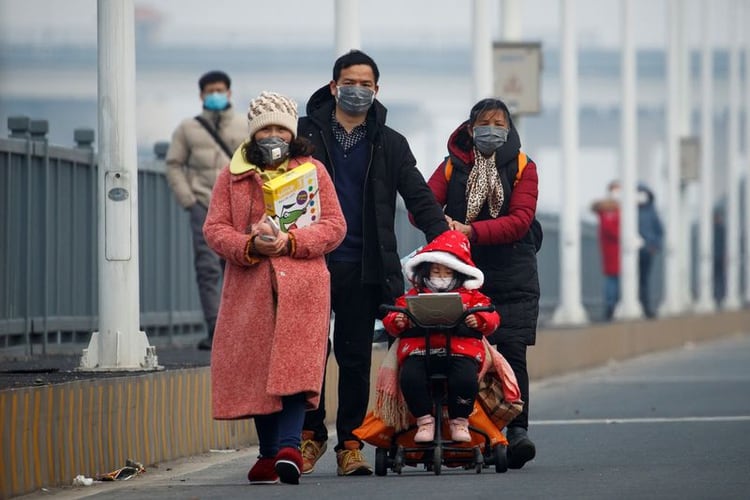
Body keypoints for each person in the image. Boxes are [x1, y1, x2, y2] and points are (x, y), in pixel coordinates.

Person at [297, 49, 449, 476]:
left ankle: (349, 442)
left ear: (377, 90)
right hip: (310, 262)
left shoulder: (390, 142)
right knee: (310, 352)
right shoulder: (303, 136)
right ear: (333, 86)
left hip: (362, 267)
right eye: (350, 82)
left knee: (354, 356)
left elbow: (418, 197)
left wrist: (448, 241)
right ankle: (310, 436)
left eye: (366, 84)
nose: (357, 90)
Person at [203, 91, 346, 485]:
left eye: (280, 128)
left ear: (292, 132)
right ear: (252, 134)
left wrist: (293, 243)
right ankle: (269, 455)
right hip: (250, 289)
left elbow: (335, 225)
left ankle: (289, 447)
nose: (273, 136)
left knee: (298, 367)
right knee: (256, 371)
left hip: (302, 287)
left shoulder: (314, 171)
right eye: (264, 129)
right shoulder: (231, 177)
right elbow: (214, 229)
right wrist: (248, 244)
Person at [425, 97, 540, 469]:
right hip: (461, 275)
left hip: (513, 275)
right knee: (462, 353)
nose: (493, 130)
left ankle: (517, 429)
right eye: (485, 123)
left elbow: (521, 220)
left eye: (500, 123)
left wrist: (469, 230)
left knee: (511, 351)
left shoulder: (524, 167)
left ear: (509, 129)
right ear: (471, 128)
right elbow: (421, 205)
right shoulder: (451, 166)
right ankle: (473, 430)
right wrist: (443, 229)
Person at [381, 230, 500, 443]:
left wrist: (479, 320)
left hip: (461, 352)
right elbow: (393, 315)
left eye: (447, 272)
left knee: (465, 379)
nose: (441, 277)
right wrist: (398, 320)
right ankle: (424, 419)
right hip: (419, 352)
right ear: (425, 271)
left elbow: (491, 316)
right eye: (436, 272)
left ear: (459, 273)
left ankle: (460, 420)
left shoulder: (473, 297)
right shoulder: (414, 296)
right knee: (409, 377)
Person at [165, 70, 247, 350]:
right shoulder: (188, 129)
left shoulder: (243, 126)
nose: (215, 95)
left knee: (237, 267)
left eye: (220, 90)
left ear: (229, 93)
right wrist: (188, 199)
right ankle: (215, 328)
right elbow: (173, 163)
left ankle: (236, 328)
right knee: (207, 267)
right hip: (202, 204)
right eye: (210, 91)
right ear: (201, 95)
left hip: (238, 208)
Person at [591, 181, 621, 321]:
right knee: (612, 279)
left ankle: (613, 306)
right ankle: (610, 307)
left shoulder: (616, 209)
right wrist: (625, 235)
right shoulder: (609, 210)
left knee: (615, 279)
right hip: (612, 249)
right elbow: (610, 229)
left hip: (617, 250)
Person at [636, 183, 663, 318]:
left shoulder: (652, 212)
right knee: (632, 280)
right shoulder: (630, 210)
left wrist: (655, 246)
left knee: (644, 280)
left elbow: (659, 231)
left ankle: (645, 307)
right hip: (632, 251)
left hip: (647, 251)